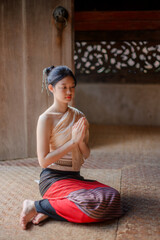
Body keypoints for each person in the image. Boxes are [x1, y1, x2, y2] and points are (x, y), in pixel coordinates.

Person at [20, 65, 122, 230]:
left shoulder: (79, 115)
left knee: (113, 197)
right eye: (64, 87)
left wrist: (80, 142)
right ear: (51, 88)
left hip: (74, 178)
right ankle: (34, 205)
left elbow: (86, 154)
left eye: (72, 87)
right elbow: (43, 161)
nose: (69, 92)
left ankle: (51, 209)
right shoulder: (45, 119)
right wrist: (72, 142)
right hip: (53, 179)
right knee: (89, 205)